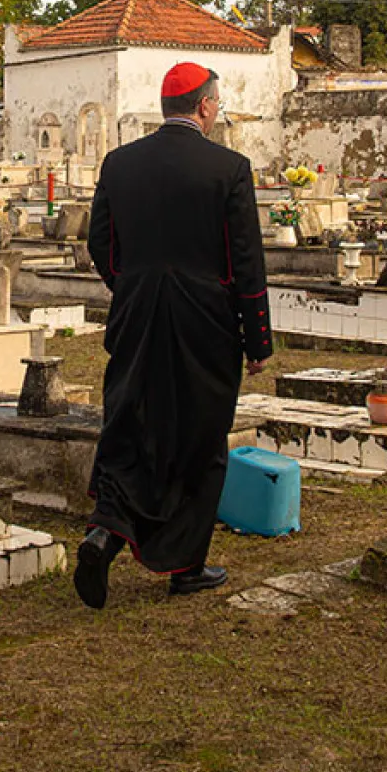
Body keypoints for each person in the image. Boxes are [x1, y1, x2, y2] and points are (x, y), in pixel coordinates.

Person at [74, 61, 271, 609]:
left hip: (137, 315)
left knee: (130, 423)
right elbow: (245, 261)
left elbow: (101, 243)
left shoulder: (120, 163)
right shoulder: (228, 168)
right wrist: (257, 340)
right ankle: (187, 566)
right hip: (205, 322)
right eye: (217, 102)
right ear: (204, 106)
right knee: (200, 438)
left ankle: (105, 531)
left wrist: (131, 285)